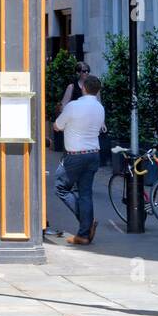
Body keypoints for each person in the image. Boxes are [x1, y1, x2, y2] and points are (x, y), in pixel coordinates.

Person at [53, 75, 105, 246]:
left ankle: (86, 224)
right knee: (85, 193)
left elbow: (57, 126)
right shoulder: (100, 108)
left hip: (75, 155)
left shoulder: (73, 106)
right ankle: (83, 233)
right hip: (94, 154)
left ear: (83, 87)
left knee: (61, 187)